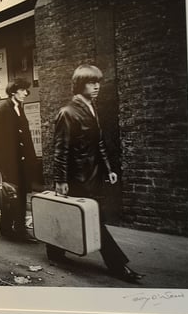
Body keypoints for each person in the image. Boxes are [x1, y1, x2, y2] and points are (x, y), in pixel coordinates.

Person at [49, 65, 144, 283]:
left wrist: (109, 169)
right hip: (77, 178)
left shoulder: (92, 109)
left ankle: (54, 251)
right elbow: (60, 149)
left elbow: (99, 143)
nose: (97, 86)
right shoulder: (67, 112)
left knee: (71, 214)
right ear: (79, 85)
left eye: (98, 82)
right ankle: (118, 265)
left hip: (93, 176)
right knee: (94, 220)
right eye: (91, 82)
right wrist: (60, 180)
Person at [0, 78, 39, 242]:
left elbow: (25, 135)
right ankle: (7, 228)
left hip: (22, 162)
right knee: (11, 195)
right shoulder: (3, 111)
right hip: (10, 163)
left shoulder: (19, 108)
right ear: (13, 91)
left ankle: (18, 228)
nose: (26, 93)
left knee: (21, 194)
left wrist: (32, 159)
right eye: (23, 90)